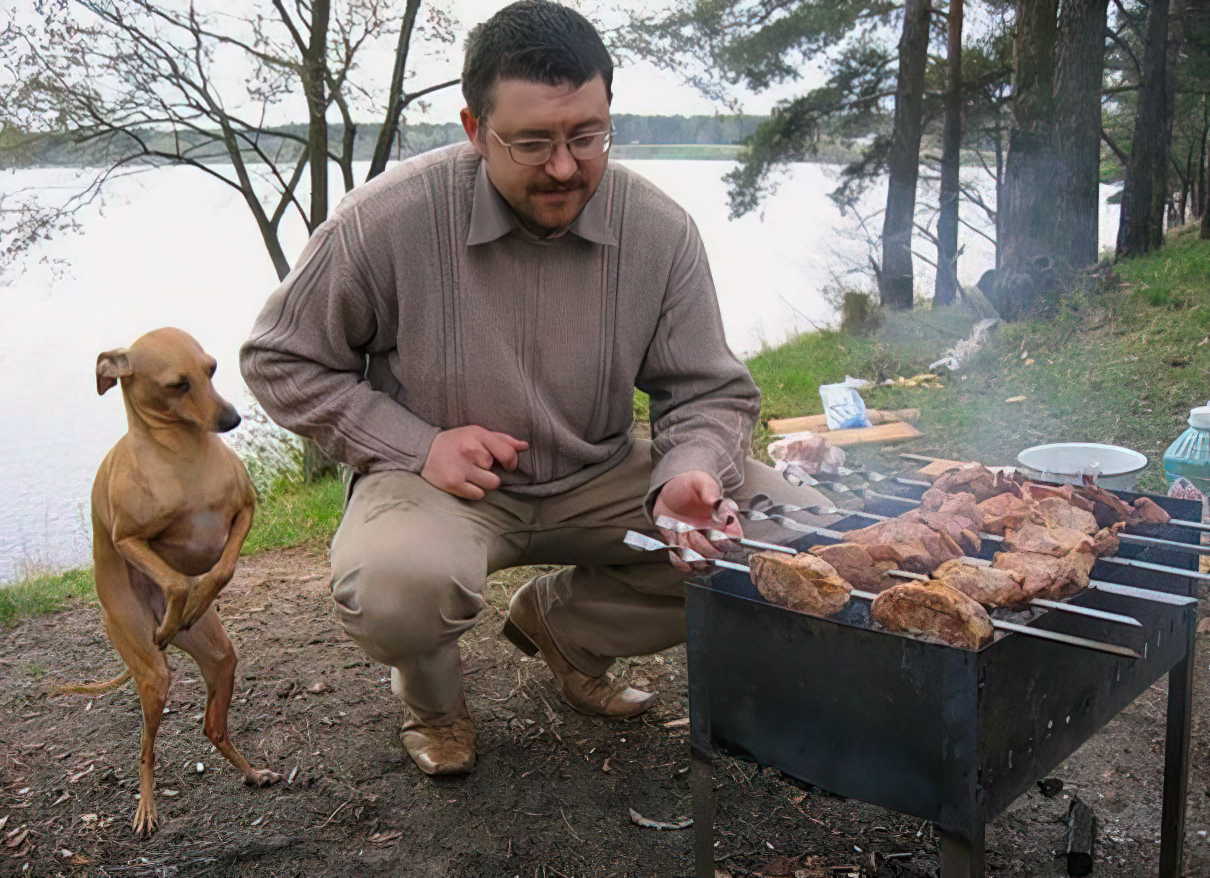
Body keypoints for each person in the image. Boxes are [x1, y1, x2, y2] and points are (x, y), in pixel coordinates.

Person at [240, 0, 837, 777]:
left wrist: (691, 469)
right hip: (444, 487)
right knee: (397, 588)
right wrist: (416, 444)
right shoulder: (385, 221)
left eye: (586, 136)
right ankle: (434, 705)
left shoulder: (660, 229)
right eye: (533, 142)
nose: (565, 166)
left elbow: (709, 393)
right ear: (474, 129)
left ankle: (567, 630)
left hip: (600, 474)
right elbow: (278, 358)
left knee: (793, 534)